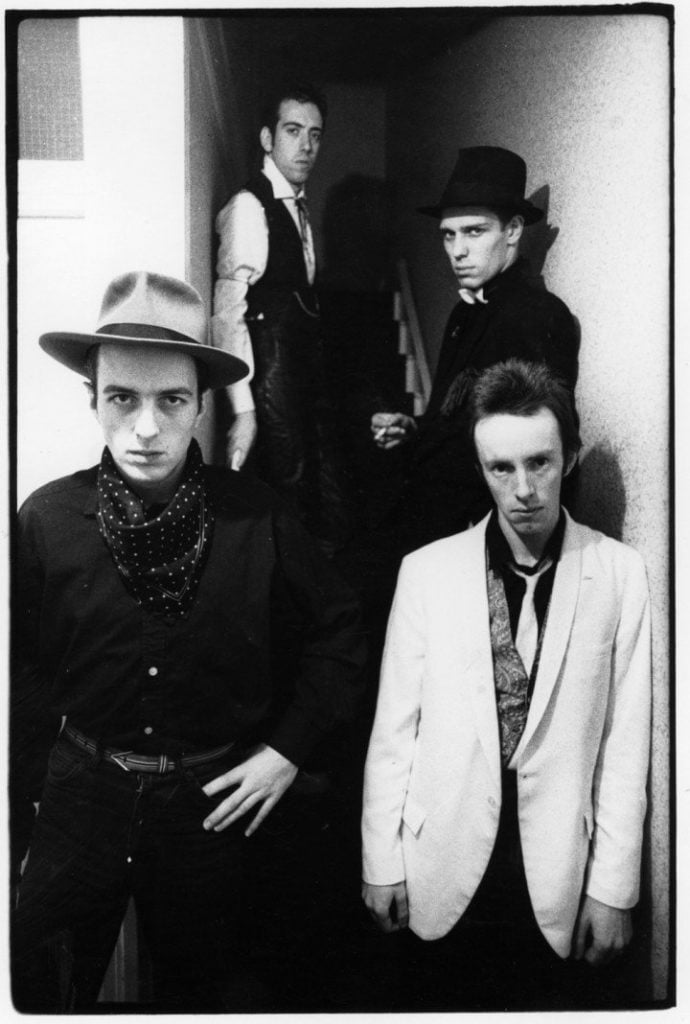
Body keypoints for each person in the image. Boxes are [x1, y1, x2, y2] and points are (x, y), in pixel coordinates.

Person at [11, 271, 366, 1013]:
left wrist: (285, 751)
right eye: (122, 399)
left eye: (171, 400)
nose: (147, 428)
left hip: (208, 810)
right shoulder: (45, 520)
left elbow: (340, 631)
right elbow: (19, 674)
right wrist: (25, 802)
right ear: (94, 401)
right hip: (80, 799)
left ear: (200, 404)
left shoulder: (258, 518)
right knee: (39, 988)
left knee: (199, 994)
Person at [361, 359, 651, 1011]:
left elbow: (624, 747)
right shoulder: (425, 573)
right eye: (502, 468)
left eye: (540, 463)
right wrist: (381, 861)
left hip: (556, 879)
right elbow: (393, 735)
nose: (524, 489)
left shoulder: (621, 573)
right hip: (441, 867)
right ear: (480, 470)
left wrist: (613, 888)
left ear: (569, 457)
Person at [371, 146, 579, 553]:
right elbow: (457, 417)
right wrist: (415, 428)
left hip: (481, 533)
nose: (457, 250)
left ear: (514, 231)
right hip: (435, 521)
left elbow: (534, 451)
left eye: (474, 231)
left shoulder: (538, 316)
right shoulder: (463, 313)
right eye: (449, 234)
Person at [212, 80, 347, 551]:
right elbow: (227, 316)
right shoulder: (248, 208)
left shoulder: (300, 207)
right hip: (269, 389)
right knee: (282, 501)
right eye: (293, 131)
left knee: (319, 497)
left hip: (303, 381)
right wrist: (243, 411)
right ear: (267, 138)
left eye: (315, 133)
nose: (306, 145)